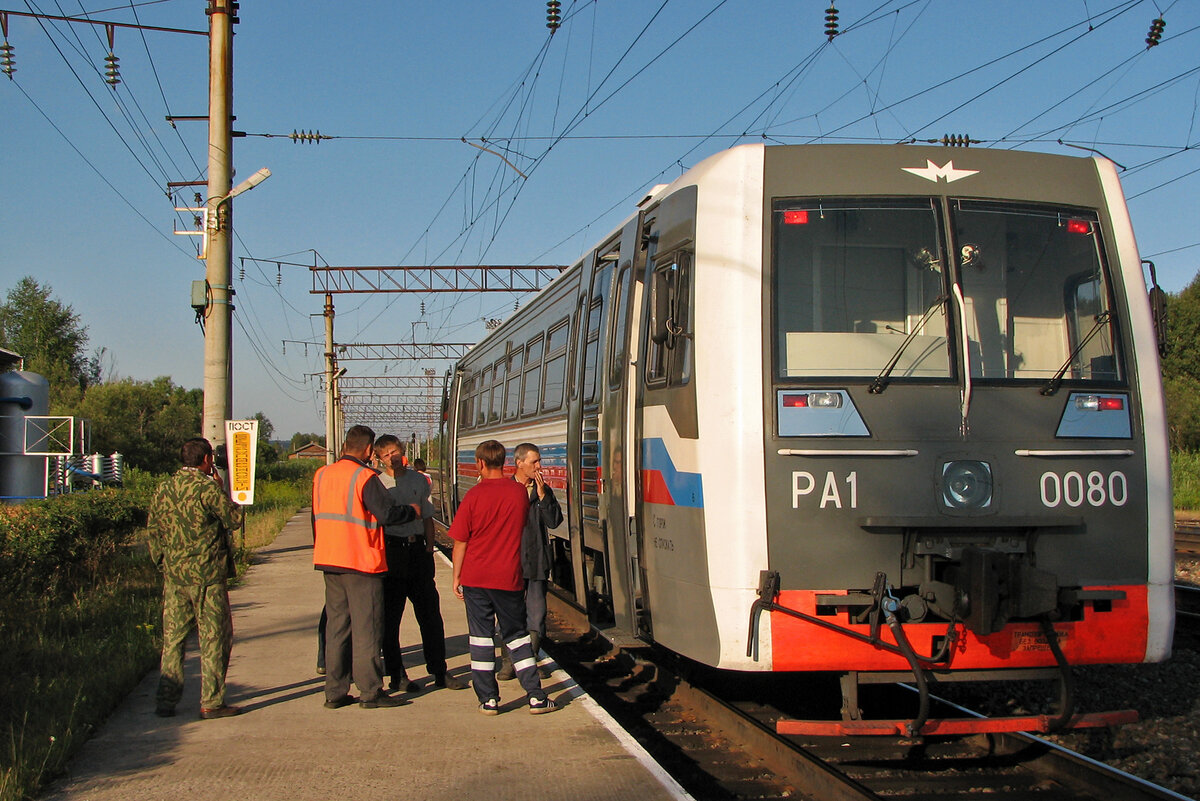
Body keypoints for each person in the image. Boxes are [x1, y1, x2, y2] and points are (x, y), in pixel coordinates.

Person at [312, 425, 422, 710]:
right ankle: (371, 691)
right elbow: (386, 513)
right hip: (360, 561)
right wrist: (412, 511)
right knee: (367, 628)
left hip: (329, 560)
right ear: (367, 450)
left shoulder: (322, 474)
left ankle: (335, 692)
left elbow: (317, 518)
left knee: (338, 627)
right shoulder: (364, 477)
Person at [449, 440, 558, 715]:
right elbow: (520, 525)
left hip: (475, 577)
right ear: (505, 462)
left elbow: (461, 541)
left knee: (481, 638)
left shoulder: (473, 496)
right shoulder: (518, 494)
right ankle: (535, 696)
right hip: (508, 577)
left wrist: (456, 576)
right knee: (518, 636)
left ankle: (488, 699)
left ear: (480, 464)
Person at [148, 437, 245, 720]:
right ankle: (211, 701)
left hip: (175, 576)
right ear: (207, 460)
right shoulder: (207, 488)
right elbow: (233, 519)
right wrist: (222, 488)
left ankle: (166, 699)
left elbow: (153, 529)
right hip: (207, 575)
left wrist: (164, 562)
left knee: (174, 639)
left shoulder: (163, 488)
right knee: (214, 637)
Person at [373, 435, 467, 692]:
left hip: (417, 552)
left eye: (395, 450)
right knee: (391, 619)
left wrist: (428, 546)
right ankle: (397, 674)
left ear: (402, 451)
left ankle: (439, 670)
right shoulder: (377, 484)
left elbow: (427, 516)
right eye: (386, 454)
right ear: (379, 459)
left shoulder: (418, 480)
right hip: (391, 552)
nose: (392, 456)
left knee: (430, 616)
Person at [495, 442, 563, 681]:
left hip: (536, 562)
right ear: (519, 463)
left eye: (539, 461)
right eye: (534, 462)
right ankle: (508, 662)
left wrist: (544, 498)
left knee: (536, 615)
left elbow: (554, 522)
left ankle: (530, 661)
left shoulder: (542, 490)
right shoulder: (504, 489)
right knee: (509, 615)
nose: (538, 466)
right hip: (510, 562)